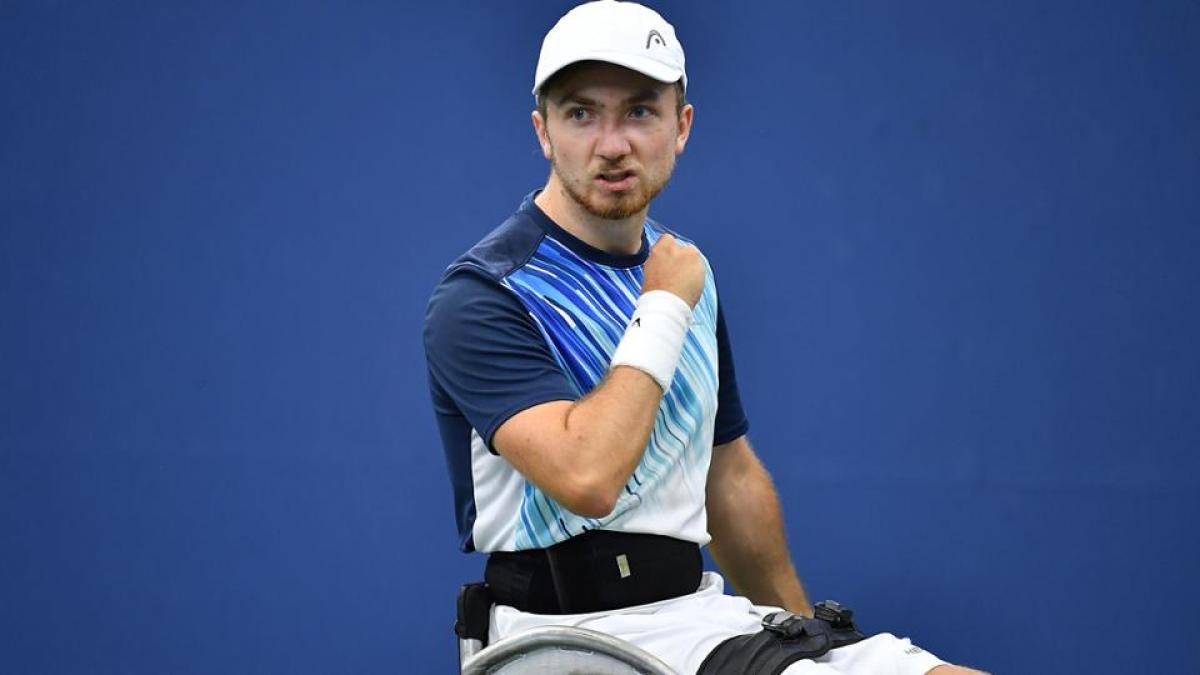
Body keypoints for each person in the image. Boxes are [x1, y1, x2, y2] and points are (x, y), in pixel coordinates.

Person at [424, 2, 984, 673]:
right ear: (543, 131)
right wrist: (661, 305)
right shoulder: (485, 293)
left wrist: (811, 641)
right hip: (563, 639)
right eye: (581, 113)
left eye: (639, 111)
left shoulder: (687, 274)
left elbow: (731, 480)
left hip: (697, 617)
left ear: (680, 126)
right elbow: (587, 475)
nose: (612, 143)